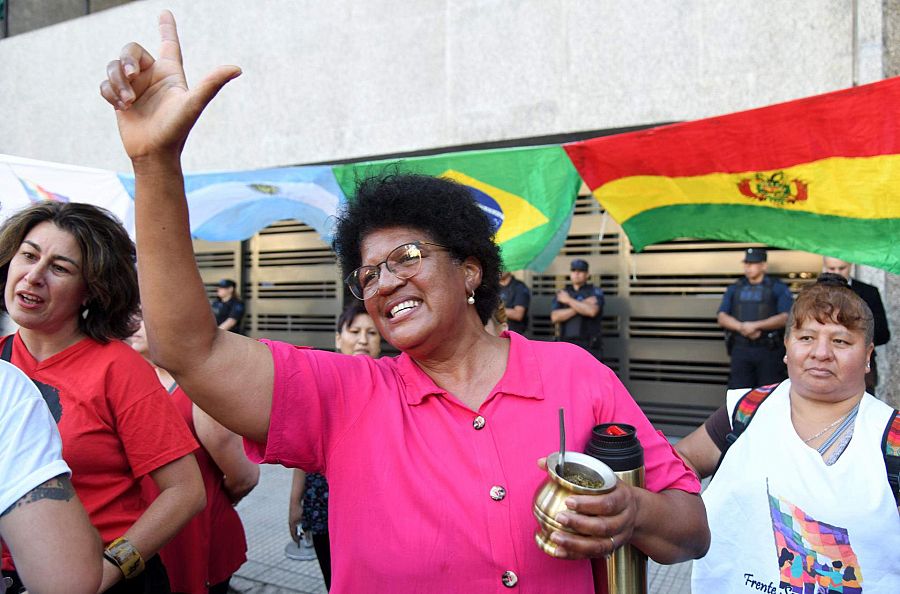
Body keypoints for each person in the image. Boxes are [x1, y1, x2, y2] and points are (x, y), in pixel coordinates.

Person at [101, 12, 709, 593]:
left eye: (407, 258)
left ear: (470, 269)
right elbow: (190, 349)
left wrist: (631, 511)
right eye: (367, 274)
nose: (384, 282)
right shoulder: (345, 398)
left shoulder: (576, 376)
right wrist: (155, 165)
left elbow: (691, 531)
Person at [0, 201, 205, 594]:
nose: (34, 275)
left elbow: (185, 492)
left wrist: (111, 568)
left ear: (90, 290)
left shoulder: (118, 368)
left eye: (60, 268)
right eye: (28, 255)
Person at [677, 279, 900, 592]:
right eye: (806, 337)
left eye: (840, 342)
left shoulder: (892, 440)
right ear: (787, 347)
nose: (821, 353)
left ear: (868, 355)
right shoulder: (746, 410)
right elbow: (680, 462)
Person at [131, 319, 259, 594]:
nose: (134, 323)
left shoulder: (199, 389)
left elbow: (244, 477)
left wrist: (207, 496)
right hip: (141, 534)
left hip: (196, 531)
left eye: (145, 315)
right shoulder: (127, 380)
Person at [287, 303, 382, 591]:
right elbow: (305, 452)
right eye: (354, 331)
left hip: (375, 507)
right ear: (338, 338)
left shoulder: (391, 385)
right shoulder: (320, 386)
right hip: (322, 504)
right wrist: (295, 502)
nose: (363, 339)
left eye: (372, 333)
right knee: (335, 581)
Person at [0, 358, 102, 594]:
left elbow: (185, 489)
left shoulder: (118, 365)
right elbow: (68, 578)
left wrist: (121, 560)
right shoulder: (6, 383)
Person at [717, 247, 793, 389]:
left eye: (752, 263)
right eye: (746, 263)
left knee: (769, 393)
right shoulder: (735, 287)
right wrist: (742, 327)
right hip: (741, 348)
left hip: (769, 350)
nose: (748, 267)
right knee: (739, 392)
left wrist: (756, 326)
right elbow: (722, 316)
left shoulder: (777, 287)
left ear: (763, 265)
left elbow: (786, 317)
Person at [822, 256, 891, 393]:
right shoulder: (815, 294)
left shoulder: (868, 292)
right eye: (832, 268)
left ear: (850, 265)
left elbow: (883, 333)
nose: (837, 272)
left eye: (841, 268)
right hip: (825, 362)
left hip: (859, 365)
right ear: (824, 267)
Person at [550, 259, 604, 359]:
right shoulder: (563, 292)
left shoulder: (594, 291)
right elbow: (555, 317)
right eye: (574, 270)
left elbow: (592, 311)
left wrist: (568, 301)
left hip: (589, 345)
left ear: (587, 274)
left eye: (581, 271)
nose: (576, 273)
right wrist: (583, 305)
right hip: (566, 345)